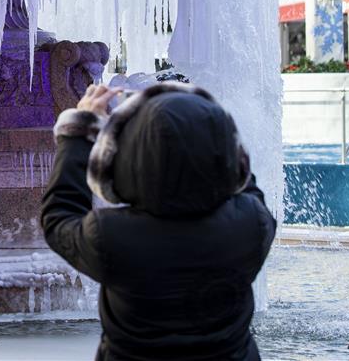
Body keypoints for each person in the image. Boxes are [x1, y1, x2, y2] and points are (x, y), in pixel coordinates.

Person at [41, 82, 276, 361]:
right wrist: (210, 133)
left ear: (129, 158)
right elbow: (241, 178)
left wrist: (79, 134)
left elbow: (59, 215)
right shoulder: (251, 225)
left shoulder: (109, 237)